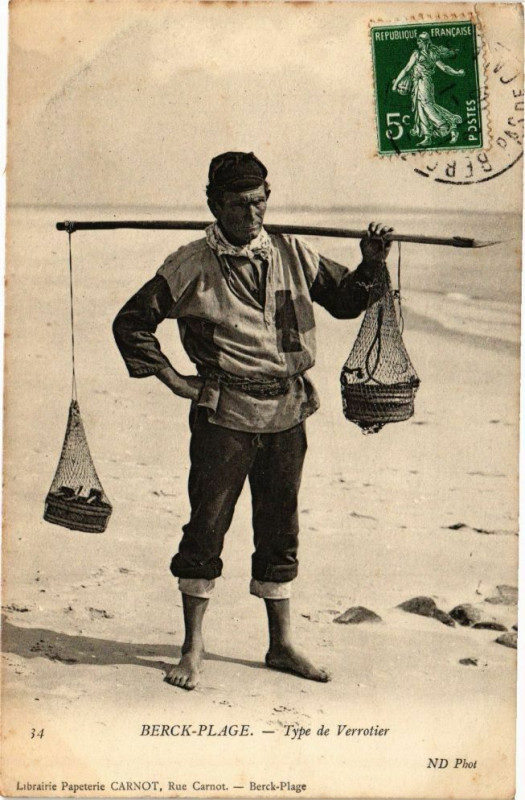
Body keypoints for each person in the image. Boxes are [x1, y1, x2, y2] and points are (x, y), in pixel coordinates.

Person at [113, 151, 393, 690]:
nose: (253, 215)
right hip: (225, 416)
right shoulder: (189, 264)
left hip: (288, 412)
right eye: (239, 205)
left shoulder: (294, 251)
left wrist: (372, 262)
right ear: (214, 204)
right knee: (206, 526)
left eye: (261, 202)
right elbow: (131, 324)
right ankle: (193, 647)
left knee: (280, 527)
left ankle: (281, 644)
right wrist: (176, 381)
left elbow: (345, 302)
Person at [392, 32, 465, 146]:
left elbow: (444, 68)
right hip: (418, 83)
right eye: (418, 41)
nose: (418, 43)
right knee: (421, 108)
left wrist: (457, 73)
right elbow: (407, 69)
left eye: (419, 41)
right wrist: (396, 83)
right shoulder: (422, 53)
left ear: (424, 42)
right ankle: (428, 137)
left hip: (424, 83)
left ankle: (447, 126)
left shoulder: (426, 54)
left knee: (427, 106)